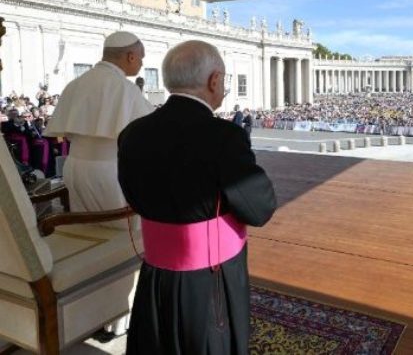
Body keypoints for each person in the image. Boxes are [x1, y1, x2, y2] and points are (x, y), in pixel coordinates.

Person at [118, 40, 277, 355]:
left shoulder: (132, 133)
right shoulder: (225, 137)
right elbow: (260, 209)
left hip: (155, 276)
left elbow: (135, 198)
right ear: (214, 80)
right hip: (210, 280)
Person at [45, 31, 153, 224]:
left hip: (74, 168)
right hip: (109, 172)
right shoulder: (126, 88)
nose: (142, 63)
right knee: (121, 231)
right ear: (131, 56)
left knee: (88, 226)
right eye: (141, 58)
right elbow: (150, 134)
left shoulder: (75, 84)